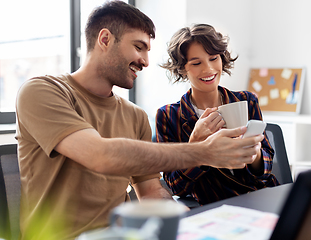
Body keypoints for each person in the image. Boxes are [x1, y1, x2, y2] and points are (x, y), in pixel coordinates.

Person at [15, 2, 262, 240]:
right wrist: (204, 151)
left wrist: (186, 220)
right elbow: (100, 154)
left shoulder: (136, 116)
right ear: (105, 39)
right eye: (138, 47)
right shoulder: (42, 91)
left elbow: (151, 192)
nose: (145, 61)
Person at [156, 24, 279, 206]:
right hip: (217, 206)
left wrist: (256, 156)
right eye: (196, 63)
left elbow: (266, 169)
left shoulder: (246, 100)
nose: (208, 69)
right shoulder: (168, 116)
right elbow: (176, 187)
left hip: (260, 199)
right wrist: (197, 147)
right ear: (182, 69)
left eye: (214, 58)